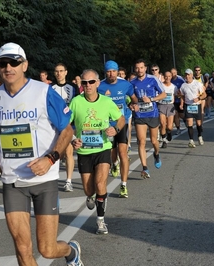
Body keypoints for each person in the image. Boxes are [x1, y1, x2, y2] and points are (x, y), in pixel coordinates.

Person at [0, 42, 82, 266]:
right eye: (2, 63)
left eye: (14, 62)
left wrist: (51, 158)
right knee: (23, 250)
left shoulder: (44, 92)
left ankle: (71, 252)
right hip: (12, 182)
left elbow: (67, 129)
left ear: (24, 65)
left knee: (47, 248)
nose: (8, 67)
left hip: (44, 180)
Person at [70, 69, 125, 234]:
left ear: (97, 83)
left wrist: (115, 130)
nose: (88, 86)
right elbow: (65, 124)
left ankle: (100, 220)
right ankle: (91, 196)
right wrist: (73, 139)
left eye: (91, 82)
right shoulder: (76, 102)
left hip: (103, 148)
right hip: (84, 152)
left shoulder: (107, 102)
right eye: (84, 82)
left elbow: (121, 118)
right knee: (89, 189)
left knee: (101, 183)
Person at [98, 60, 137, 198]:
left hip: (121, 122)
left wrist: (134, 104)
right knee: (112, 153)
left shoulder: (125, 84)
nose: (111, 74)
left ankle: (123, 185)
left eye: (113, 71)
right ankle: (114, 164)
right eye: (108, 71)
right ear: (105, 72)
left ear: (117, 71)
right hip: (106, 125)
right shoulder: (100, 86)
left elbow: (133, 98)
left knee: (123, 153)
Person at [129, 59, 166, 178]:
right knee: (141, 141)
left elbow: (163, 94)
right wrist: (131, 104)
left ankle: (156, 154)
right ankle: (145, 168)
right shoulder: (132, 82)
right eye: (137, 68)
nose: (139, 70)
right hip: (140, 115)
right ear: (135, 69)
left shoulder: (153, 79)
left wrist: (151, 99)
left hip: (152, 114)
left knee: (154, 141)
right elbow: (129, 97)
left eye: (141, 68)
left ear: (145, 68)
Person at [52, 63, 80, 192]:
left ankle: (68, 181)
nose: (59, 73)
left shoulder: (73, 87)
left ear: (66, 72)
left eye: (61, 71)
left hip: (69, 125)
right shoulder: (50, 88)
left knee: (69, 152)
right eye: (57, 71)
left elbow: (77, 104)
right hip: (55, 126)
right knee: (57, 152)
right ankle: (52, 179)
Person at [179, 69, 206, 148]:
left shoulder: (198, 84)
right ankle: (191, 140)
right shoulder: (183, 85)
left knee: (198, 124)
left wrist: (199, 98)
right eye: (186, 75)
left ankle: (200, 136)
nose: (187, 76)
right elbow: (182, 96)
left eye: (188, 75)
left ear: (191, 75)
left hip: (196, 105)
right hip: (188, 105)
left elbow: (204, 94)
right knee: (189, 123)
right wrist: (181, 103)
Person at [158, 71, 175, 148]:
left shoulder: (174, 87)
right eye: (166, 76)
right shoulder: (160, 85)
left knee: (169, 126)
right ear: (163, 77)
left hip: (170, 106)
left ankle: (169, 132)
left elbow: (176, 95)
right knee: (162, 123)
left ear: (171, 77)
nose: (167, 78)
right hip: (161, 105)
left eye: (169, 76)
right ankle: (164, 140)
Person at [170, 68, 185, 135]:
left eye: (174, 73)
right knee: (175, 115)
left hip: (180, 100)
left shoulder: (180, 80)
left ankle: (185, 120)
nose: (173, 74)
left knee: (181, 115)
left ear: (176, 73)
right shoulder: (169, 80)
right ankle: (178, 128)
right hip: (173, 101)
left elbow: (184, 88)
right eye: (172, 73)